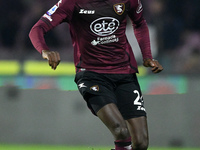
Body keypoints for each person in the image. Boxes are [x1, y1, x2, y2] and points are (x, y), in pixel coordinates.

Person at [29, 0, 163, 149]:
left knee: (141, 143)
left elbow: (140, 23)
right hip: (91, 74)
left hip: (125, 74)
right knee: (121, 130)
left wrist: (147, 57)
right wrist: (45, 50)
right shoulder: (71, 3)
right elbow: (37, 28)